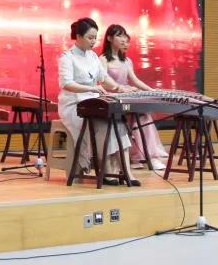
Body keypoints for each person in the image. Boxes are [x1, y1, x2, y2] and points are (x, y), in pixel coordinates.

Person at [58, 17, 138, 185]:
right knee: (104, 125)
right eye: (90, 37)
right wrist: (92, 88)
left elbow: (104, 78)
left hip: (92, 102)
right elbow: (66, 84)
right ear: (78, 36)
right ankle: (108, 170)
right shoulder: (67, 57)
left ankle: (126, 172)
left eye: (95, 37)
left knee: (117, 124)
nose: (94, 41)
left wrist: (119, 88)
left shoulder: (93, 56)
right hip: (73, 104)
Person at [99, 24, 167, 170]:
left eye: (124, 36)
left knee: (144, 116)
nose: (123, 39)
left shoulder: (126, 61)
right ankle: (137, 156)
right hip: (111, 98)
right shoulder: (103, 59)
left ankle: (148, 156)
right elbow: (103, 81)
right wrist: (120, 88)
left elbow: (135, 80)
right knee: (135, 116)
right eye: (119, 35)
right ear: (109, 38)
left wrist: (152, 91)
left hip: (126, 96)